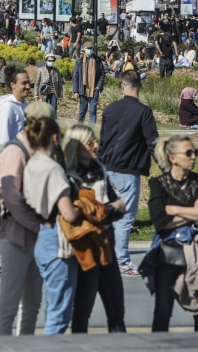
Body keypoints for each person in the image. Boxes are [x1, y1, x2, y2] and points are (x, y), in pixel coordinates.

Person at [143, 135, 198, 331]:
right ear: (173, 158)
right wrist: (195, 213)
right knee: (163, 310)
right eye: (188, 152)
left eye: (195, 152)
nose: (193, 156)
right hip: (168, 253)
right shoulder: (158, 184)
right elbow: (160, 221)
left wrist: (174, 210)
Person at [0, 102, 56, 336]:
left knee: (32, 305)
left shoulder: (40, 149)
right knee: (9, 305)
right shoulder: (15, 150)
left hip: (35, 237)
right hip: (16, 237)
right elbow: (12, 199)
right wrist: (40, 227)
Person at [62, 124, 127, 333]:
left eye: (96, 140)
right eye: (90, 142)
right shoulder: (69, 176)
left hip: (106, 243)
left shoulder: (99, 168)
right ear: (77, 145)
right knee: (83, 309)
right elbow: (77, 215)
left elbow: (120, 207)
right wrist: (105, 209)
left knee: (117, 308)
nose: (96, 145)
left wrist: (100, 210)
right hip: (84, 247)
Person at [23, 115, 80, 335]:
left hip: (41, 236)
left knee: (52, 306)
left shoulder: (31, 164)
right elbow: (68, 212)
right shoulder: (53, 168)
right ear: (54, 137)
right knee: (59, 312)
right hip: (57, 238)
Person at [98, 71, 159, 276]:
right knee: (124, 218)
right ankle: (121, 261)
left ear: (122, 86)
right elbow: (152, 142)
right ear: (139, 87)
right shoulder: (144, 112)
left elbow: (103, 140)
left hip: (106, 167)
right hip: (128, 169)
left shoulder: (109, 109)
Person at [72, 42, 106, 124]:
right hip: (83, 89)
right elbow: (75, 77)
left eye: (91, 49)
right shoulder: (79, 61)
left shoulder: (97, 60)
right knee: (82, 111)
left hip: (94, 89)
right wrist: (76, 91)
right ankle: (79, 127)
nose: (90, 50)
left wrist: (99, 86)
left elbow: (102, 74)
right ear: (84, 49)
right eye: (88, 48)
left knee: (92, 110)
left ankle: (92, 129)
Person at [0, 66, 30, 146]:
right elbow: (3, 140)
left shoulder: (26, 106)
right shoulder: (8, 107)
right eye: (24, 83)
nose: (28, 86)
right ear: (12, 85)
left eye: (29, 83)